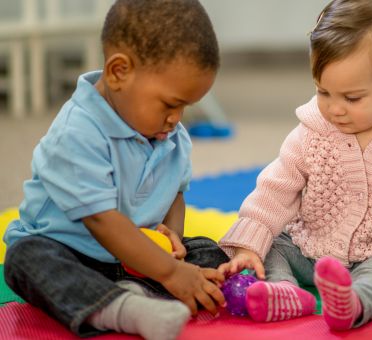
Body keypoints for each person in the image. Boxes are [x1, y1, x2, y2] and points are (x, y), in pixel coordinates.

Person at [217, 0, 372, 331]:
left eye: (352, 98)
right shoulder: (311, 131)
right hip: (311, 248)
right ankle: (283, 290)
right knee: (274, 243)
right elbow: (275, 189)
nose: (334, 109)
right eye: (323, 91)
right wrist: (248, 244)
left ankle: (353, 303)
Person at [3, 1, 229, 339]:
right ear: (119, 72)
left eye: (185, 106)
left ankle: (133, 292)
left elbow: (175, 194)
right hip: (71, 251)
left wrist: (173, 239)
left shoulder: (170, 136)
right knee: (24, 260)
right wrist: (169, 273)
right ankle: (125, 308)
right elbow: (100, 220)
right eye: (170, 104)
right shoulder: (78, 131)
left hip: (136, 258)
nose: (177, 118)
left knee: (211, 252)